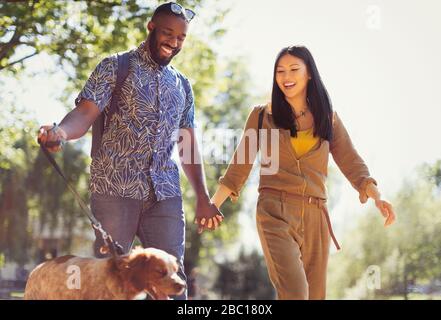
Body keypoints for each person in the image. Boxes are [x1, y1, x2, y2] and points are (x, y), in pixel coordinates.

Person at [37, 2, 223, 300]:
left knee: (172, 282)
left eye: (181, 38)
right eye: (167, 33)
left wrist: (203, 196)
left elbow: (187, 143)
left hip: (165, 194)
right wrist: (59, 132)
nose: (173, 43)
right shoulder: (116, 66)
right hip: (114, 189)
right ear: (150, 28)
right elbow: (85, 113)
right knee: (108, 280)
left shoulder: (182, 85)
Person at [210, 45, 396, 300]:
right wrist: (212, 205)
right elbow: (239, 166)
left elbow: (352, 163)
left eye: (294, 69)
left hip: (315, 216)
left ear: (309, 74)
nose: (286, 76)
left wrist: (376, 195)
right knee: (296, 293)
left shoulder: (328, 119)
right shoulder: (262, 115)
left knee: (315, 296)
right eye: (280, 71)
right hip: (274, 212)